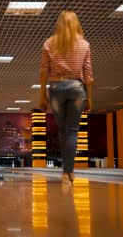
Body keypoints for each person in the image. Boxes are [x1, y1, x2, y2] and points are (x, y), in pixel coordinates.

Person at [39, 10, 94, 185]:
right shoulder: (84, 44)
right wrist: (90, 98)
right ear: (76, 24)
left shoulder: (49, 43)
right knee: (72, 131)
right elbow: (88, 74)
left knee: (63, 131)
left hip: (56, 90)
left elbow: (43, 71)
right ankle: (68, 172)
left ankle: (65, 172)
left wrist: (42, 95)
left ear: (59, 24)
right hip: (77, 89)